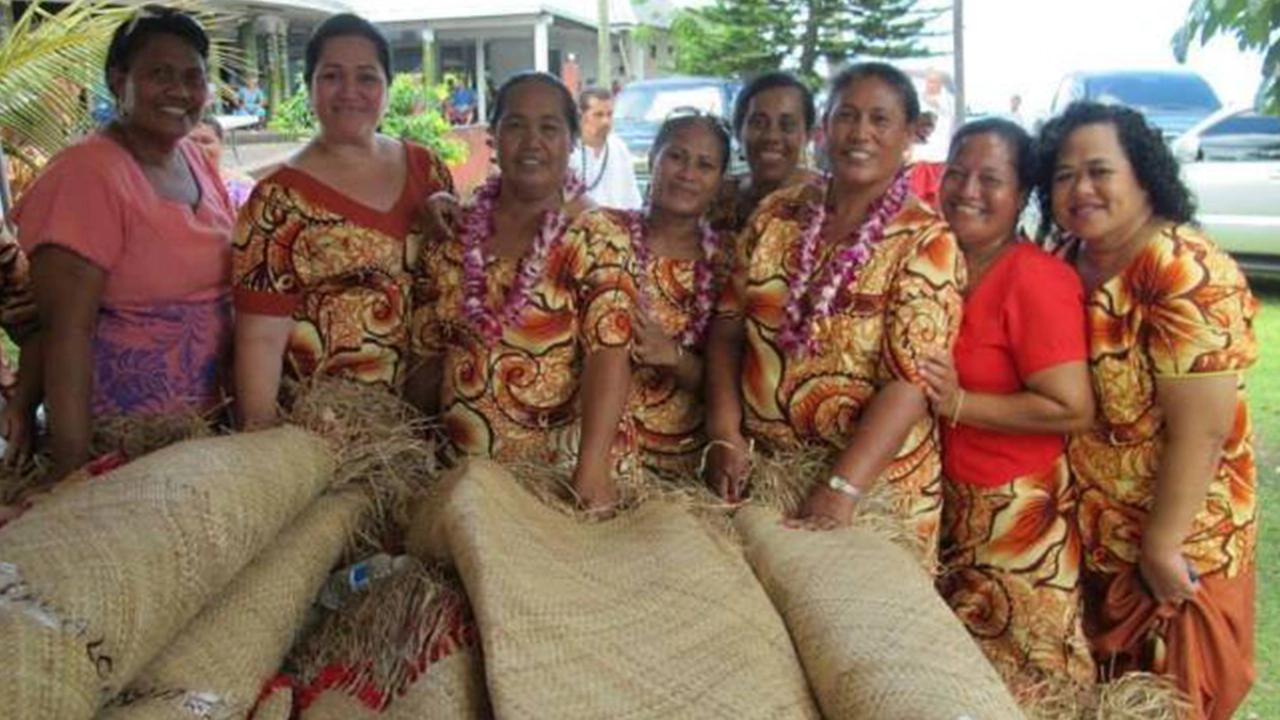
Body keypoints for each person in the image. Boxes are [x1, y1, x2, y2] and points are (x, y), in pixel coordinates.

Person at [1036, 101, 1258, 720]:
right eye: (1062, 175)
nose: (1080, 188)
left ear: (1143, 175)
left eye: (1099, 170)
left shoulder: (1183, 269)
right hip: (1095, 543)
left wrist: (1161, 545)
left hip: (1181, 555)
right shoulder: (1062, 263)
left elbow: (1204, 428)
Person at [705, 62, 965, 554]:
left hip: (869, 494)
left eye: (880, 119)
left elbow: (910, 382)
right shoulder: (779, 212)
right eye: (846, 115)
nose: (859, 133)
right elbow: (727, 327)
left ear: (910, 133)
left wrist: (840, 489)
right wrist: (723, 430)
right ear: (825, 126)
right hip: (764, 477)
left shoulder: (926, 241)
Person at [5, 6, 234, 478]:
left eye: (194, 77)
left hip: (205, 436)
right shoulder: (86, 174)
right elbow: (65, 334)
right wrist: (72, 471)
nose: (181, 91)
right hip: (123, 448)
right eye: (160, 74)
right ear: (117, 80)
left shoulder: (196, 159)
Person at [917, 118, 1096, 696]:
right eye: (957, 173)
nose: (968, 190)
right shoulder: (941, 265)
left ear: (1021, 195)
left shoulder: (1034, 279)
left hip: (1013, 515)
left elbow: (1070, 407)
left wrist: (959, 403)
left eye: (990, 179)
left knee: (1025, 680)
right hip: (951, 509)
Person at [412, 71, 638, 512]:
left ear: (573, 140)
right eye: (515, 125)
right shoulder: (458, 229)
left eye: (549, 128)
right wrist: (411, 453)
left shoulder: (595, 237)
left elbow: (609, 356)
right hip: (464, 478)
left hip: (560, 479)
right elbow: (428, 355)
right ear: (493, 137)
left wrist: (590, 472)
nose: (532, 141)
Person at [231, 14, 455, 429]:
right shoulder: (278, 202)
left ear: (388, 85)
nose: (350, 92)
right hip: (327, 435)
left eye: (367, 77)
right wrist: (258, 436)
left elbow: (459, 274)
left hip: (433, 423)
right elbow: (260, 338)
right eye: (332, 75)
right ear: (309, 86)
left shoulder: (429, 171)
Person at [602, 113, 732, 477]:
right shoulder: (604, 233)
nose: (687, 173)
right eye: (676, 156)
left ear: (720, 181)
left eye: (704, 165)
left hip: (681, 467)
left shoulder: (729, 264)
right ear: (653, 158)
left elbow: (734, 385)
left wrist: (674, 357)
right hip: (592, 451)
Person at [709, 71, 821, 235]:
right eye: (759, 123)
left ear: (809, 135)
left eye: (787, 125)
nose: (772, 136)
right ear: (738, 131)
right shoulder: (719, 200)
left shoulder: (829, 204)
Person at [569, 87, 642, 210]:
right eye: (598, 115)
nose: (606, 121)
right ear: (581, 116)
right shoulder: (568, 151)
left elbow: (632, 199)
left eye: (609, 114)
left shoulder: (619, 147)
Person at [189, 118, 255, 209]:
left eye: (206, 141)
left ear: (221, 144)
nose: (198, 147)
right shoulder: (172, 186)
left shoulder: (241, 186)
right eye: (191, 142)